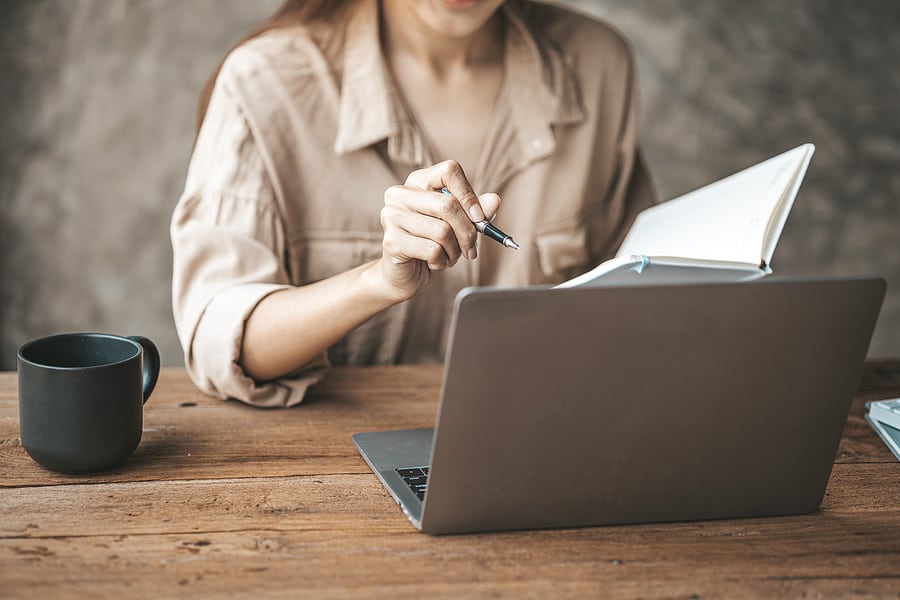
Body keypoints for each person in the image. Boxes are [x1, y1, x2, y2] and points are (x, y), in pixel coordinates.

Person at [171, 0, 656, 407]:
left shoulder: (598, 63)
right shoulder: (264, 82)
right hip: (331, 465)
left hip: (547, 439)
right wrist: (377, 281)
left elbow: (645, 294)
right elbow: (219, 336)